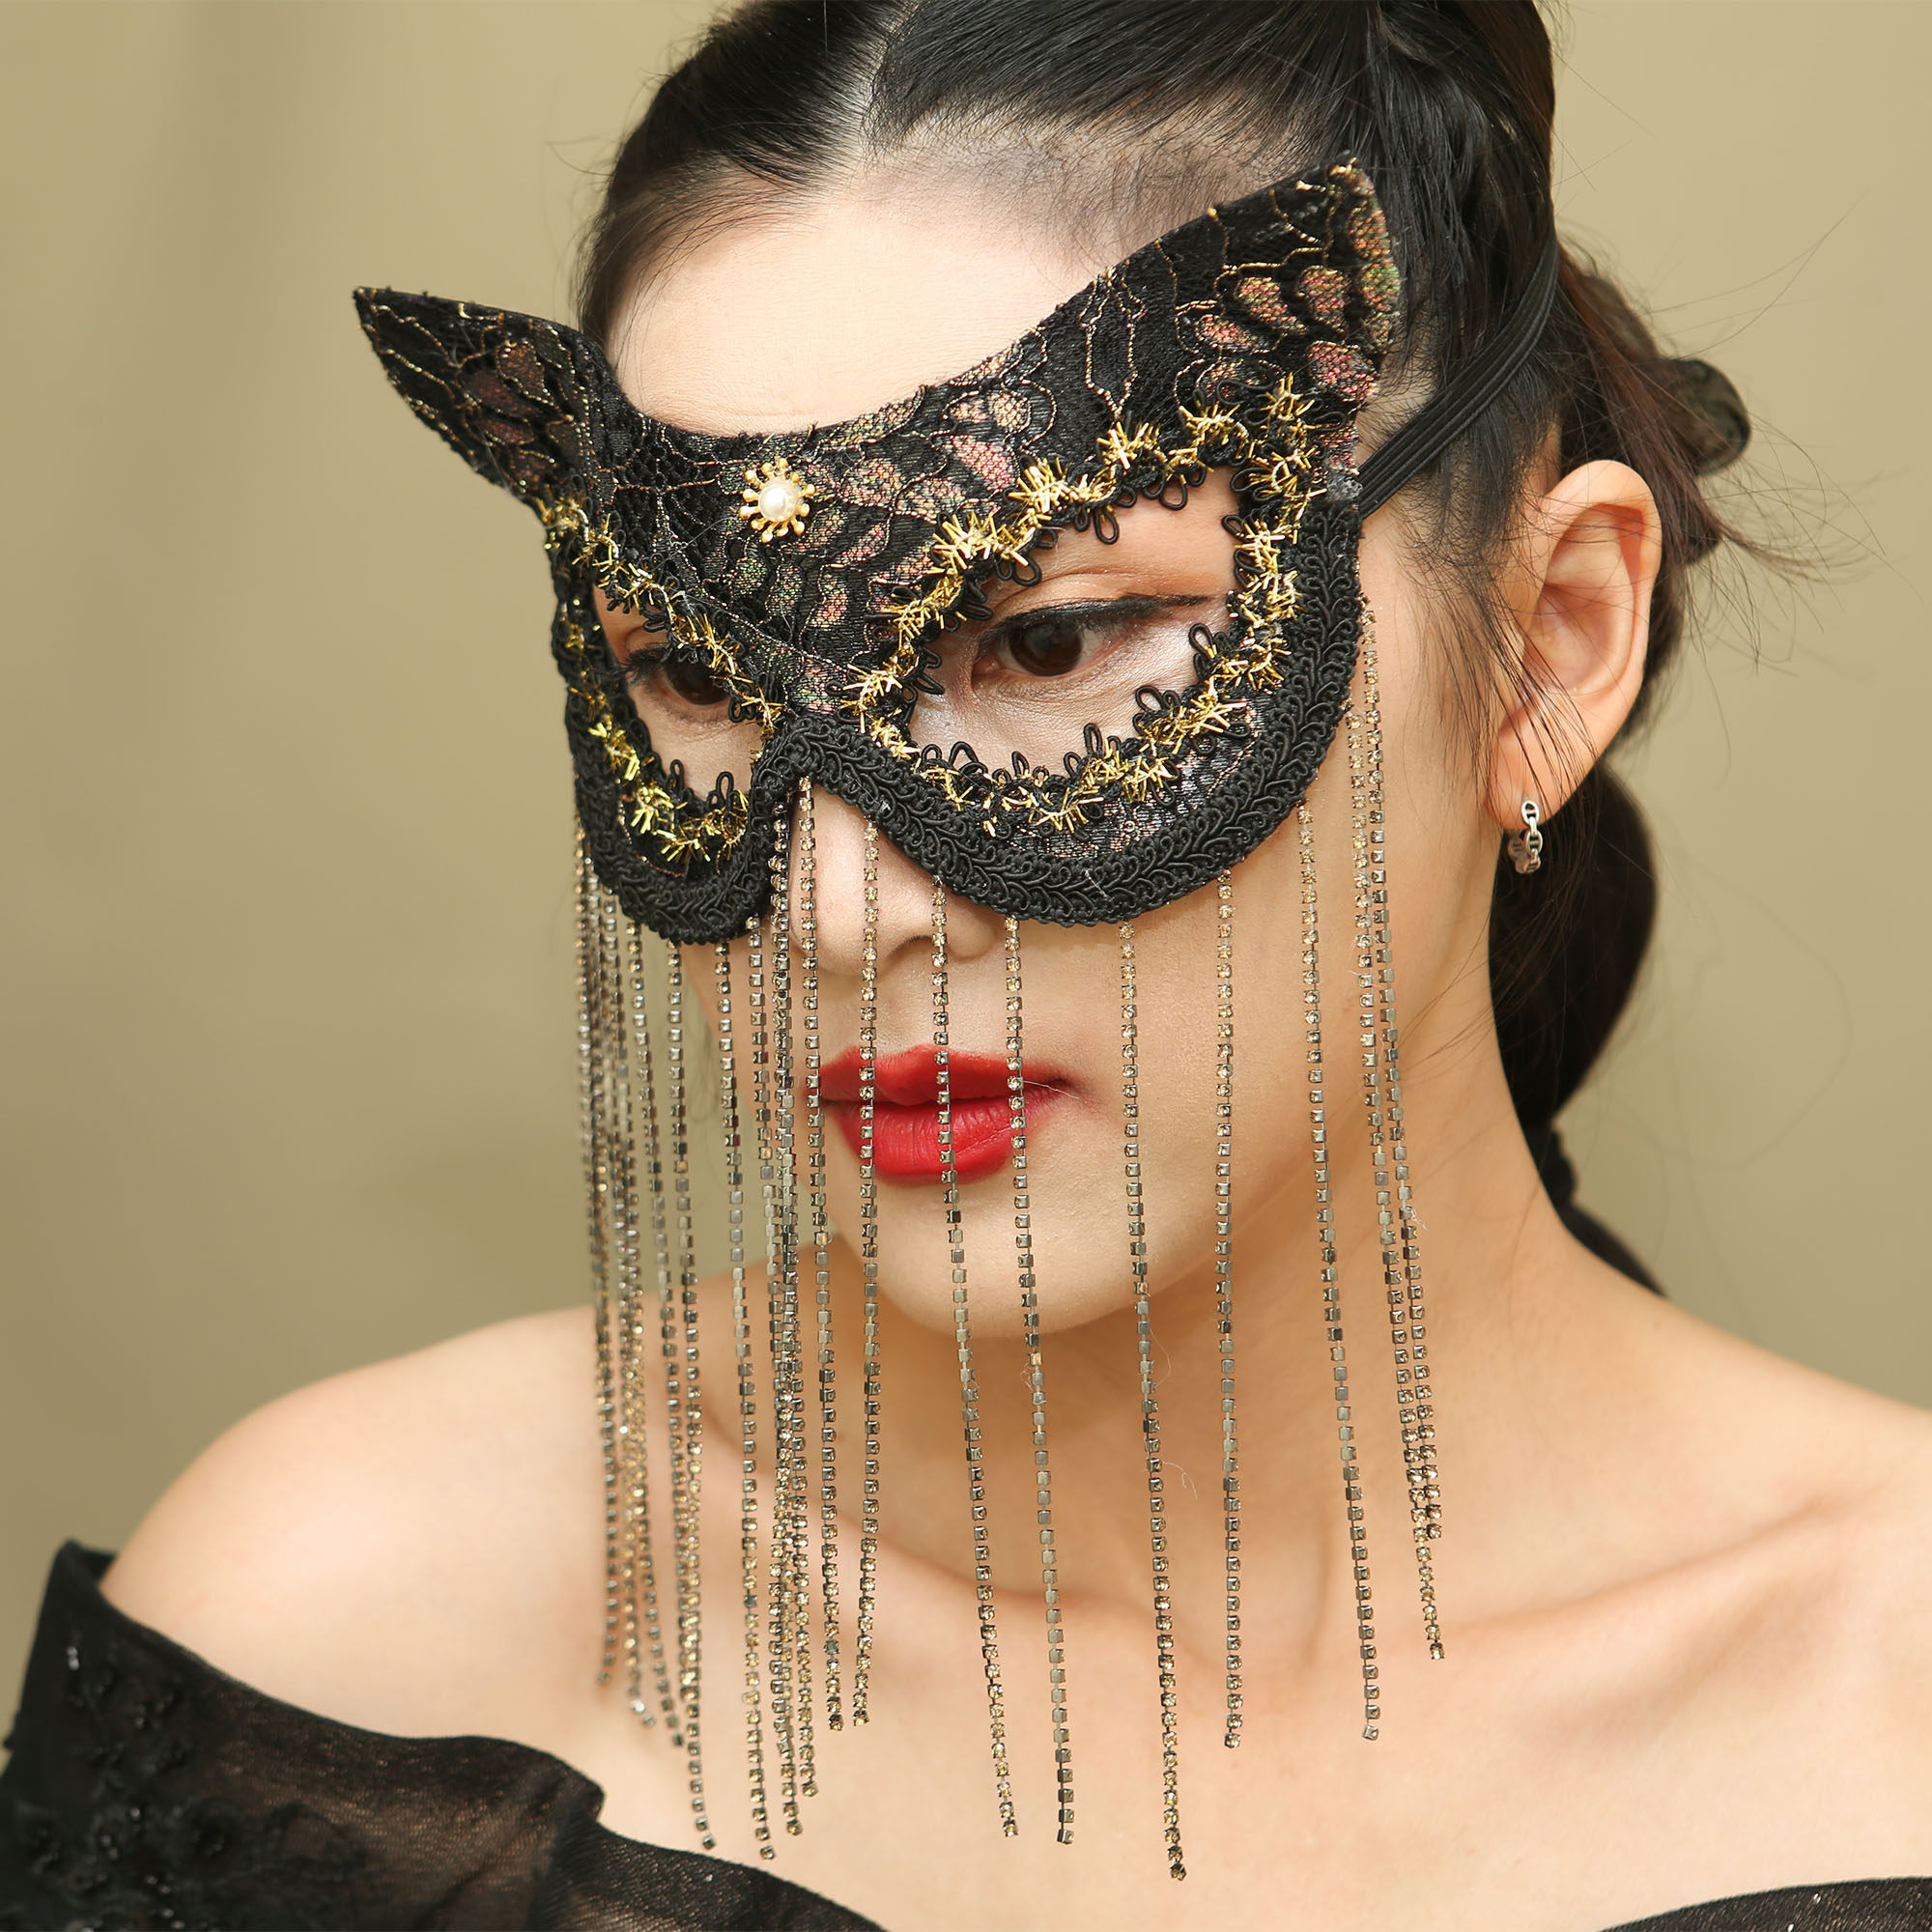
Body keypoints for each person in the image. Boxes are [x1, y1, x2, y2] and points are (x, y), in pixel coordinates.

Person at [6, 4, 1930, 1928]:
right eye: (694, 670)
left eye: (1051, 642)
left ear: (1550, 643)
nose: (841, 913)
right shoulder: (351, 1638)